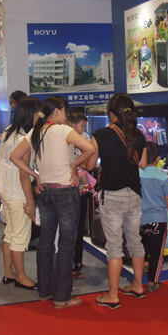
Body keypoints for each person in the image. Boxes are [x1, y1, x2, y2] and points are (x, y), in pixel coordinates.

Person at [10, 95, 94, 309]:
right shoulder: (64, 130)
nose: (66, 116)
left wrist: (35, 174)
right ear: (57, 111)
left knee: (45, 244)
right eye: (65, 112)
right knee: (65, 245)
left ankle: (45, 292)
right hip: (66, 193)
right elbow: (90, 149)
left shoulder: (35, 132)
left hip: (45, 193)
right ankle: (62, 297)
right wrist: (73, 166)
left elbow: (14, 157)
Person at [87, 93, 147, 310]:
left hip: (112, 195)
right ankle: (138, 285)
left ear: (111, 114)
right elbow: (143, 164)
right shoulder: (138, 135)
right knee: (135, 241)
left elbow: (90, 165)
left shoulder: (100, 134)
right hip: (134, 195)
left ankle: (113, 295)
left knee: (114, 247)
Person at [0, 96, 42, 290]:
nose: (40, 117)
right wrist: (31, 202)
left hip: (3, 188)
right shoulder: (24, 139)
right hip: (16, 191)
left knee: (11, 232)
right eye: (38, 113)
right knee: (20, 236)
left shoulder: (9, 131)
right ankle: (21, 277)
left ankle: (9, 272)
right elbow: (23, 176)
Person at [139, 141, 168, 293]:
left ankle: (139, 275)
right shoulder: (163, 177)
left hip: (139, 219)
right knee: (157, 253)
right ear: (158, 158)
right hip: (159, 220)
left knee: (140, 249)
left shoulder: (136, 174)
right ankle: (152, 282)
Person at [67, 111, 95, 280]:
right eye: (81, 125)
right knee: (71, 228)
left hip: (81, 190)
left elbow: (88, 163)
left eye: (85, 126)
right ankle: (72, 266)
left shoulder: (84, 137)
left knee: (79, 228)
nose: (84, 129)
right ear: (72, 124)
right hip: (70, 187)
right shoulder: (66, 137)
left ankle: (77, 261)